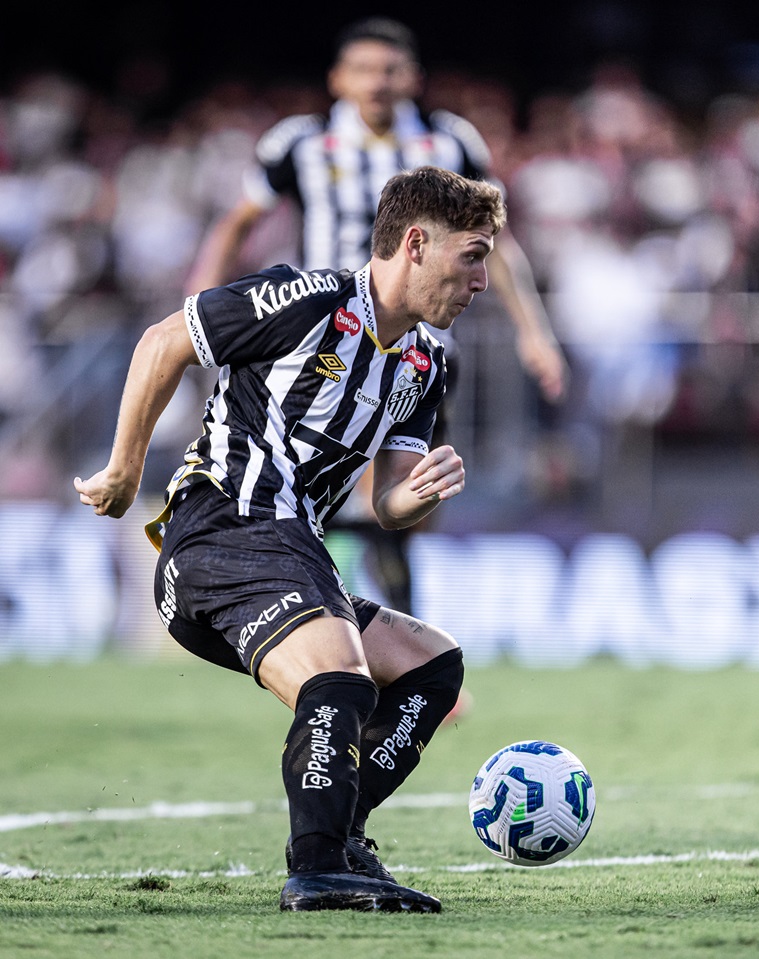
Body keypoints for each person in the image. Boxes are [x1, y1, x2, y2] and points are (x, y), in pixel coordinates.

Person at [75, 166, 505, 912]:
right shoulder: (310, 300)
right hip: (223, 531)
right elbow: (162, 341)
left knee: (432, 667)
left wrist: (419, 491)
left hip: (289, 550)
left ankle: (340, 839)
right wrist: (122, 469)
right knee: (339, 675)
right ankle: (315, 868)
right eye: (473, 255)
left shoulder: (425, 362)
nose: (484, 280)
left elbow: (385, 501)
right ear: (415, 243)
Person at [187, 16, 567, 623]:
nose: (377, 82)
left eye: (390, 70)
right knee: (322, 477)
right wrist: (201, 302)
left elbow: (499, 241)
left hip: (422, 347)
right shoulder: (301, 142)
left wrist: (534, 332)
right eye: (363, 69)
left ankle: (379, 609)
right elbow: (238, 222)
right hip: (321, 339)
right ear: (338, 78)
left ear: (413, 78)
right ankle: (341, 610)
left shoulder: (450, 142)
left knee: (411, 486)